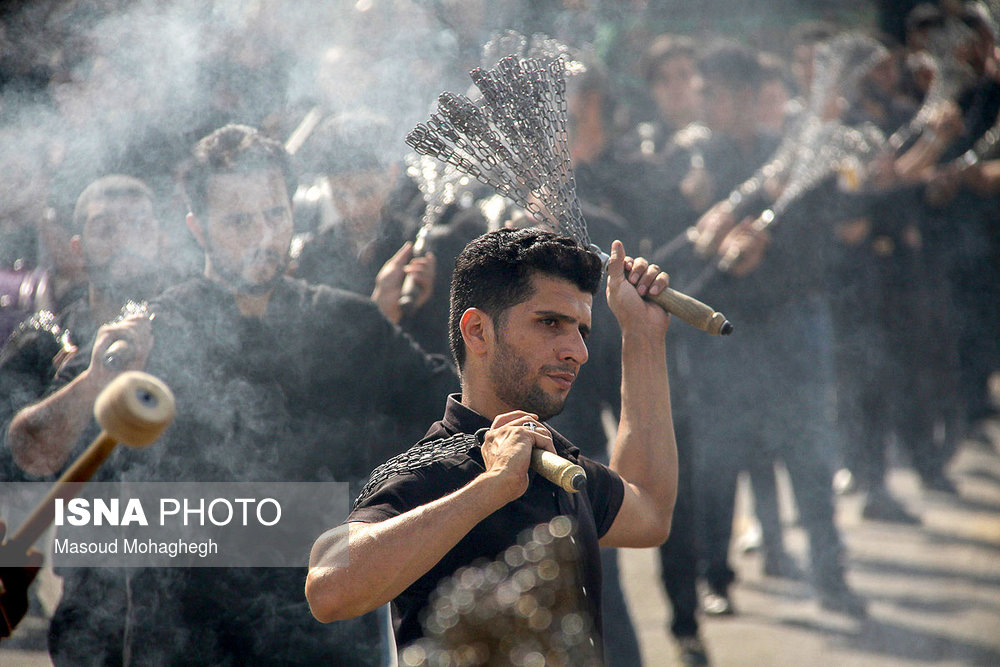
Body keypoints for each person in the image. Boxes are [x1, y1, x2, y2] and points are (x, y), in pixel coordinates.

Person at [7, 124, 458, 664]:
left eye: (274, 214)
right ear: (197, 228)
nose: (263, 235)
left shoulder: (348, 323)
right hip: (179, 640)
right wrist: (95, 383)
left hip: (326, 642)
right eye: (239, 221)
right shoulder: (151, 331)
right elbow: (33, 451)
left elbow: (452, 413)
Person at [306, 228, 679, 661]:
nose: (577, 350)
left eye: (582, 330)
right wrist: (490, 487)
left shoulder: (553, 457)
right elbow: (327, 587)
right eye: (550, 323)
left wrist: (644, 336)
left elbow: (649, 511)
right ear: (479, 331)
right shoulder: (432, 467)